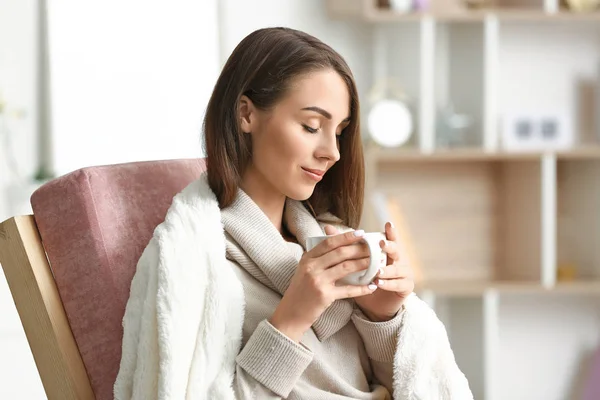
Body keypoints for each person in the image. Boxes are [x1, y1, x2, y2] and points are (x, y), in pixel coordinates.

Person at [114, 27, 472, 400]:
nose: (332, 152)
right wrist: (292, 319)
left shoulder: (331, 242)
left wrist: (382, 318)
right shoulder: (198, 260)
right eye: (311, 126)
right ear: (246, 114)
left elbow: (401, 385)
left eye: (340, 133)